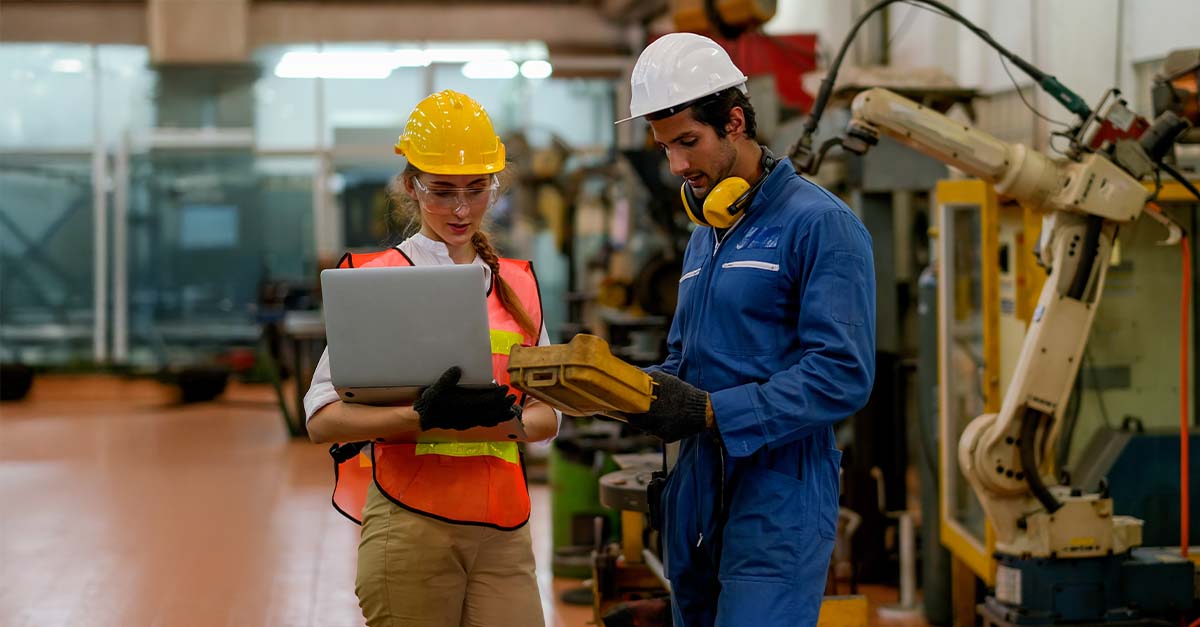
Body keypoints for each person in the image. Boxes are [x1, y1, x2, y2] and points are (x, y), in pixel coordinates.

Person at [616, 33, 876, 626]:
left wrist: (711, 412)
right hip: (697, 492)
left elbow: (843, 376)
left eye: (689, 142)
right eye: (664, 148)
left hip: (778, 494)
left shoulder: (822, 225)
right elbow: (684, 357)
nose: (678, 166)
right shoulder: (705, 234)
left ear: (734, 121)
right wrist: (621, 390)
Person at [304, 89, 559, 627]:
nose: (461, 209)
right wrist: (420, 417)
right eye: (442, 192)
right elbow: (321, 418)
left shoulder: (518, 286)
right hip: (412, 527)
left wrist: (506, 423)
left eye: (476, 189)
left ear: (494, 186)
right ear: (411, 187)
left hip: (504, 532)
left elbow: (548, 415)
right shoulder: (378, 284)